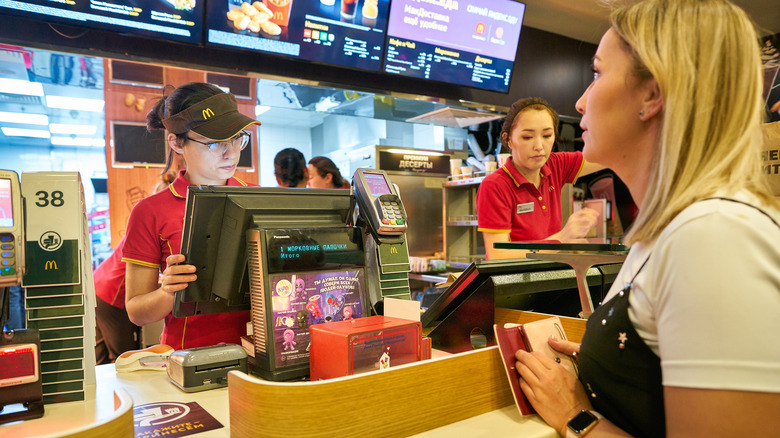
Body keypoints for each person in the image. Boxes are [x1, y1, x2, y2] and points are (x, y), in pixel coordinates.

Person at [513, 1, 780, 437]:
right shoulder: (670, 231)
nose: (580, 101)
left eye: (597, 73)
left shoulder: (715, 236)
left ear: (652, 94)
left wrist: (576, 416)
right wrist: (615, 367)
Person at [122, 82, 260, 350]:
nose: (231, 153)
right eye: (214, 143)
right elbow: (136, 312)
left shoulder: (260, 198)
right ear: (177, 142)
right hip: (189, 358)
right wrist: (168, 292)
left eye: (237, 138)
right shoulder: (150, 211)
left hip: (259, 352)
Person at [476, 97, 604, 260]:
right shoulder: (495, 185)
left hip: (548, 277)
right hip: (513, 281)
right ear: (508, 139)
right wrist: (562, 239)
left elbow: (608, 156)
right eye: (527, 137)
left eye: (547, 135)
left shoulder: (556, 164)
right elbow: (497, 255)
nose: (539, 146)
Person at [94, 170, 179, 364]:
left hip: (100, 286)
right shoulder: (148, 223)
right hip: (112, 294)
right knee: (123, 357)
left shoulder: (146, 222)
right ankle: (123, 394)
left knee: (101, 356)